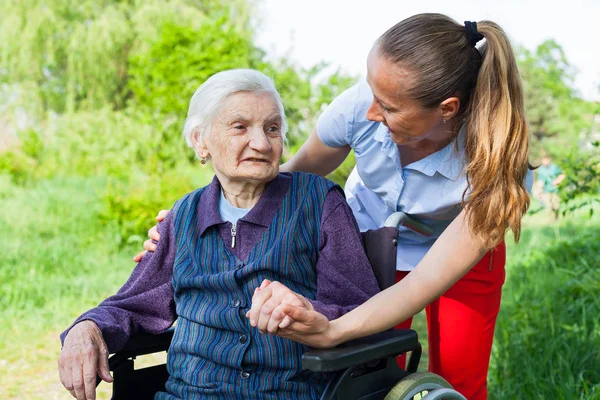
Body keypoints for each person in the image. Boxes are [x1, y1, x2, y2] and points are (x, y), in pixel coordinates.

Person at [139, 14, 533, 400]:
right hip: (372, 238)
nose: (371, 112)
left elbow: (421, 284)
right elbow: (281, 180)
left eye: (389, 108)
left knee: (460, 380)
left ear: (446, 109)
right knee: (375, 369)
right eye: (372, 94)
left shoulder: (502, 169)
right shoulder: (360, 107)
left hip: (458, 252)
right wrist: (198, 222)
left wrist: (335, 329)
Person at [58, 69, 380, 400]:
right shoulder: (184, 215)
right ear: (201, 141)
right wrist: (87, 328)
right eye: (240, 127)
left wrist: (310, 312)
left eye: (272, 128)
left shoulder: (319, 201)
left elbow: (357, 309)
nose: (262, 143)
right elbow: (135, 303)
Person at [536, 153, 565, 219]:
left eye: (546, 160)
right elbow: (540, 181)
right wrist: (539, 191)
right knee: (548, 206)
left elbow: (562, 175)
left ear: (549, 160)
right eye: (543, 160)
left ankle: (556, 218)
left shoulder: (554, 167)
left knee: (556, 206)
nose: (545, 162)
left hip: (555, 190)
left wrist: (558, 181)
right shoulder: (541, 170)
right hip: (546, 190)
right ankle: (550, 221)